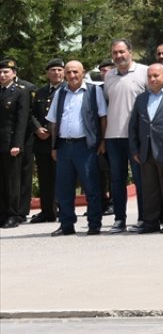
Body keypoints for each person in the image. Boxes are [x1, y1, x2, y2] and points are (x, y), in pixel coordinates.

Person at [46, 60, 107, 236]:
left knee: (91, 186)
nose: (72, 76)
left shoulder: (94, 91)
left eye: (75, 72)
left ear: (83, 72)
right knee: (64, 188)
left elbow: (103, 118)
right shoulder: (60, 93)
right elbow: (54, 121)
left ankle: (94, 224)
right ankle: (66, 224)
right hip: (64, 146)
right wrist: (54, 146)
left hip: (85, 146)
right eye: (69, 72)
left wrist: (102, 141)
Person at [127, 64, 163, 233]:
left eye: (156, 76)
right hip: (146, 151)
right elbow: (133, 126)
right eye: (149, 76)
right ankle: (150, 221)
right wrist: (135, 149)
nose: (152, 79)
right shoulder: (142, 98)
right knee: (149, 188)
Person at [101, 38, 147, 233]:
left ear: (131, 51)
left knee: (140, 179)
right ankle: (119, 219)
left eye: (121, 52)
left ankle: (145, 218)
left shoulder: (144, 72)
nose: (118, 56)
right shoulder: (109, 76)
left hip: (135, 137)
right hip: (113, 137)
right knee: (117, 180)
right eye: (115, 53)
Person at [29, 59, 64, 224]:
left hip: (61, 140)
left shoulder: (67, 90)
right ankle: (47, 211)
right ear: (47, 73)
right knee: (45, 178)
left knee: (62, 177)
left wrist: (51, 131)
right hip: (42, 142)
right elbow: (31, 113)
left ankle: (63, 209)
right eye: (53, 70)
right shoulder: (40, 92)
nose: (56, 73)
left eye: (59, 70)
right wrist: (37, 129)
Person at [0, 58, 33, 228]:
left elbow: (22, 121)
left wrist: (17, 144)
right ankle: (2, 212)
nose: (2, 75)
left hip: (11, 142)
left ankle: (13, 213)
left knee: (12, 180)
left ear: (14, 74)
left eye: (6, 72)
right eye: (0, 72)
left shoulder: (21, 91)